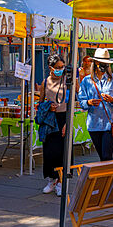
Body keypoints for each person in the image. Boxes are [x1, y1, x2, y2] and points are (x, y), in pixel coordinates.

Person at [78, 48, 113, 161]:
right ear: (95, 63)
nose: (103, 66)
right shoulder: (86, 81)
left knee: (106, 156)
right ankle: (107, 176)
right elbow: (81, 102)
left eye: (106, 63)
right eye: (101, 63)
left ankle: (109, 177)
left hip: (110, 124)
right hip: (94, 125)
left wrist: (112, 100)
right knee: (102, 156)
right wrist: (89, 102)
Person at [38, 54, 68, 196]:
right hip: (50, 120)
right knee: (49, 152)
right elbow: (40, 102)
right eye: (58, 67)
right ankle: (51, 179)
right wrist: (48, 107)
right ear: (51, 68)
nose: (60, 70)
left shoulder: (68, 80)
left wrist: (67, 123)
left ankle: (61, 182)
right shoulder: (45, 82)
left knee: (61, 152)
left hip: (63, 118)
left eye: (62, 67)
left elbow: (73, 103)